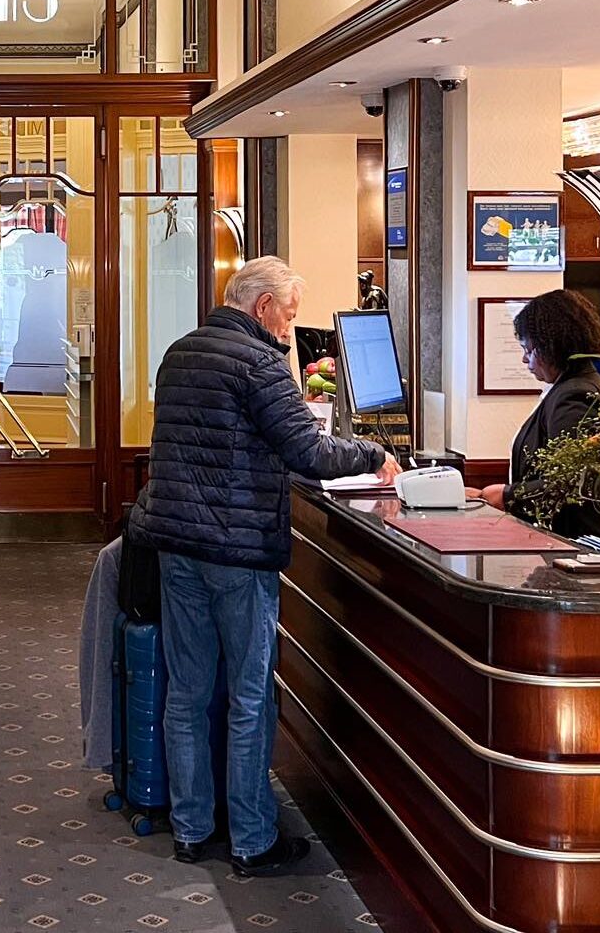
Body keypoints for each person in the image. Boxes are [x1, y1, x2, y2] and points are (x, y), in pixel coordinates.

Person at [127, 257, 399, 873]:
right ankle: (252, 839)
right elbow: (306, 450)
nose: (289, 329)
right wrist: (375, 454)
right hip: (238, 552)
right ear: (261, 307)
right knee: (251, 694)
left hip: (176, 544)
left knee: (188, 692)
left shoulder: (181, 351)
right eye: (288, 315)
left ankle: (192, 829)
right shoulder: (259, 364)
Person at [478, 289, 600, 537]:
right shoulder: (573, 384)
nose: (525, 360)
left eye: (527, 349)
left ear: (549, 346)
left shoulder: (573, 395)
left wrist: (507, 496)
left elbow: (570, 479)